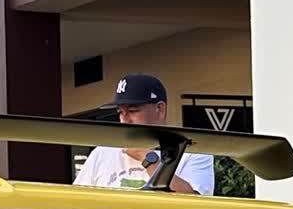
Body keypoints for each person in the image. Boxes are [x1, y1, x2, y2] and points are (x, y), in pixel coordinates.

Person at [75, 73, 214, 196]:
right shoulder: (102, 153)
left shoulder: (192, 151)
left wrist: (147, 158)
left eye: (133, 111)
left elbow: (194, 205)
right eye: (120, 112)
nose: (125, 119)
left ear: (160, 109)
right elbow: (77, 201)